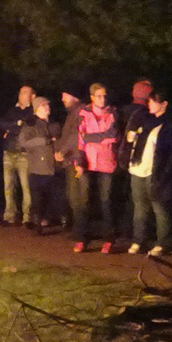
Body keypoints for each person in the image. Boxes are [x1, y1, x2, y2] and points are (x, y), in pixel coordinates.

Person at [126, 91, 172, 256]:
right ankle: (138, 240)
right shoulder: (147, 121)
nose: (149, 104)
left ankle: (162, 243)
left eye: (153, 101)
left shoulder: (171, 126)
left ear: (163, 104)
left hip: (155, 172)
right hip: (138, 169)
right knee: (140, 207)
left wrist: (165, 174)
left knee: (159, 207)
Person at [73, 83, 119, 253]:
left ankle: (109, 239)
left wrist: (90, 137)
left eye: (104, 95)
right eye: (99, 96)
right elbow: (79, 139)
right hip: (87, 162)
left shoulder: (112, 113)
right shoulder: (83, 113)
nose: (103, 99)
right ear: (92, 97)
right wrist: (79, 162)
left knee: (106, 201)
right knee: (84, 202)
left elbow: (112, 136)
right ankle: (82, 238)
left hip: (106, 162)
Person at [16, 96, 58, 234]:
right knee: (38, 198)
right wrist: (43, 141)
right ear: (36, 109)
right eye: (43, 105)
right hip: (37, 167)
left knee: (51, 196)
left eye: (48, 105)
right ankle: (37, 223)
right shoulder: (31, 125)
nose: (47, 107)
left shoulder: (54, 125)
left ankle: (49, 219)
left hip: (53, 166)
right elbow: (23, 142)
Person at [0, 85, 36, 228]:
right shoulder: (12, 111)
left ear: (32, 96)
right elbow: (0, 124)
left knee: (26, 187)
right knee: (8, 186)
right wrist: (16, 124)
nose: (21, 95)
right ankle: (9, 216)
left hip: (24, 153)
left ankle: (27, 217)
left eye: (25, 93)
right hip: (8, 151)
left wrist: (11, 128)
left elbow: (27, 128)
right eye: (21, 92)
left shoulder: (33, 113)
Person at [55, 90, 85, 229]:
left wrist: (62, 151)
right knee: (72, 195)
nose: (62, 99)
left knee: (76, 196)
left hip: (76, 158)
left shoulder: (79, 112)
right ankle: (77, 227)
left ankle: (80, 230)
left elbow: (75, 136)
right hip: (71, 158)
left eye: (65, 95)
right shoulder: (72, 113)